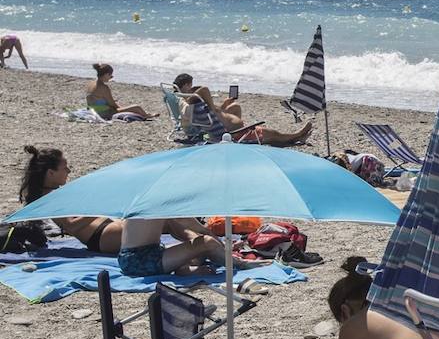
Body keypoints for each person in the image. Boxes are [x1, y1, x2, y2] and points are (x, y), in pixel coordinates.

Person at [18, 145, 222, 262]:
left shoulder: (57, 192)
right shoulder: (50, 198)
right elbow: (71, 226)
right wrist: (100, 206)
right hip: (101, 238)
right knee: (163, 215)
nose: (69, 171)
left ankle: (203, 241)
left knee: (165, 218)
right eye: (65, 167)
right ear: (51, 173)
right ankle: (206, 241)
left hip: (106, 229)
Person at [172, 72, 313, 147]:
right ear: (185, 86)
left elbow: (209, 102)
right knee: (273, 133)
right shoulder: (195, 104)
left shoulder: (198, 106)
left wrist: (220, 105)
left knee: (235, 107)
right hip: (236, 134)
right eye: (190, 86)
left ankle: (295, 138)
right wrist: (193, 96)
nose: (192, 88)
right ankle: (297, 135)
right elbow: (204, 89)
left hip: (231, 130)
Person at [87, 64, 156, 120]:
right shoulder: (104, 87)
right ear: (106, 74)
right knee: (136, 107)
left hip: (93, 110)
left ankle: (144, 113)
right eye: (110, 75)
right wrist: (122, 109)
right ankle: (146, 115)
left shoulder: (91, 84)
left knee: (127, 107)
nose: (111, 77)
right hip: (103, 113)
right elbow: (113, 104)